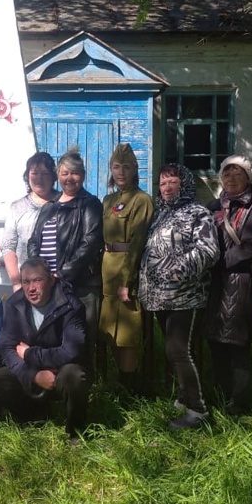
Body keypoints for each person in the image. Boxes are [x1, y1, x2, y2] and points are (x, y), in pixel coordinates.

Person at [138, 164, 221, 429]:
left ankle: (198, 411)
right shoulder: (160, 214)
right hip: (159, 296)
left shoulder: (198, 212)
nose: (167, 187)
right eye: (163, 183)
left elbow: (209, 250)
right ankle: (186, 397)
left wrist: (177, 270)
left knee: (179, 350)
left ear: (184, 183)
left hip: (186, 295)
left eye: (172, 181)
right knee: (173, 351)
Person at [0, 258, 90, 439]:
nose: (31, 288)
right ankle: (34, 415)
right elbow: (6, 348)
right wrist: (33, 374)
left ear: (51, 280)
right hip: (31, 369)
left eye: (37, 280)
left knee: (75, 376)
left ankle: (75, 431)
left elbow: (71, 351)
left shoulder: (71, 305)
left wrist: (30, 354)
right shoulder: (14, 304)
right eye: (26, 282)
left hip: (61, 369)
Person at [204, 155, 252, 416]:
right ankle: (221, 395)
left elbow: (251, 246)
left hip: (241, 281)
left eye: (237, 173)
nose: (231, 178)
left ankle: (240, 402)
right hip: (216, 284)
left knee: (238, 344)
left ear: (248, 178)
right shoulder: (213, 206)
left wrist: (217, 262)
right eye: (227, 173)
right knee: (215, 341)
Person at [27, 149, 103, 375]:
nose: (70, 178)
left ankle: (83, 384)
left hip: (80, 284)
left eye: (75, 173)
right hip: (50, 283)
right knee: (54, 335)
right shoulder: (50, 206)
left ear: (83, 175)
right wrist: (40, 271)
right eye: (65, 173)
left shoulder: (89, 203)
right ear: (58, 175)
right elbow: (33, 240)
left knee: (81, 336)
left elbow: (90, 242)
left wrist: (62, 273)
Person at [99, 144, 154, 391]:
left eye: (127, 167)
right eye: (116, 167)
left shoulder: (141, 200)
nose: (121, 172)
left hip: (124, 271)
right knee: (110, 327)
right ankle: (118, 382)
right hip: (106, 270)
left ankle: (130, 384)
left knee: (128, 333)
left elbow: (137, 242)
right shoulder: (109, 199)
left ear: (135, 170)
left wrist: (127, 280)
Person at [1, 152, 58, 290]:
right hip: (28, 284)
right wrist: (16, 282)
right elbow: (8, 246)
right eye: (35, 173)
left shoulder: (63, 204)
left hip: (58, 282)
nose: (39, 178)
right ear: (27, 176)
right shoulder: (17, 207)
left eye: (45, 173)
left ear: (53, 176)